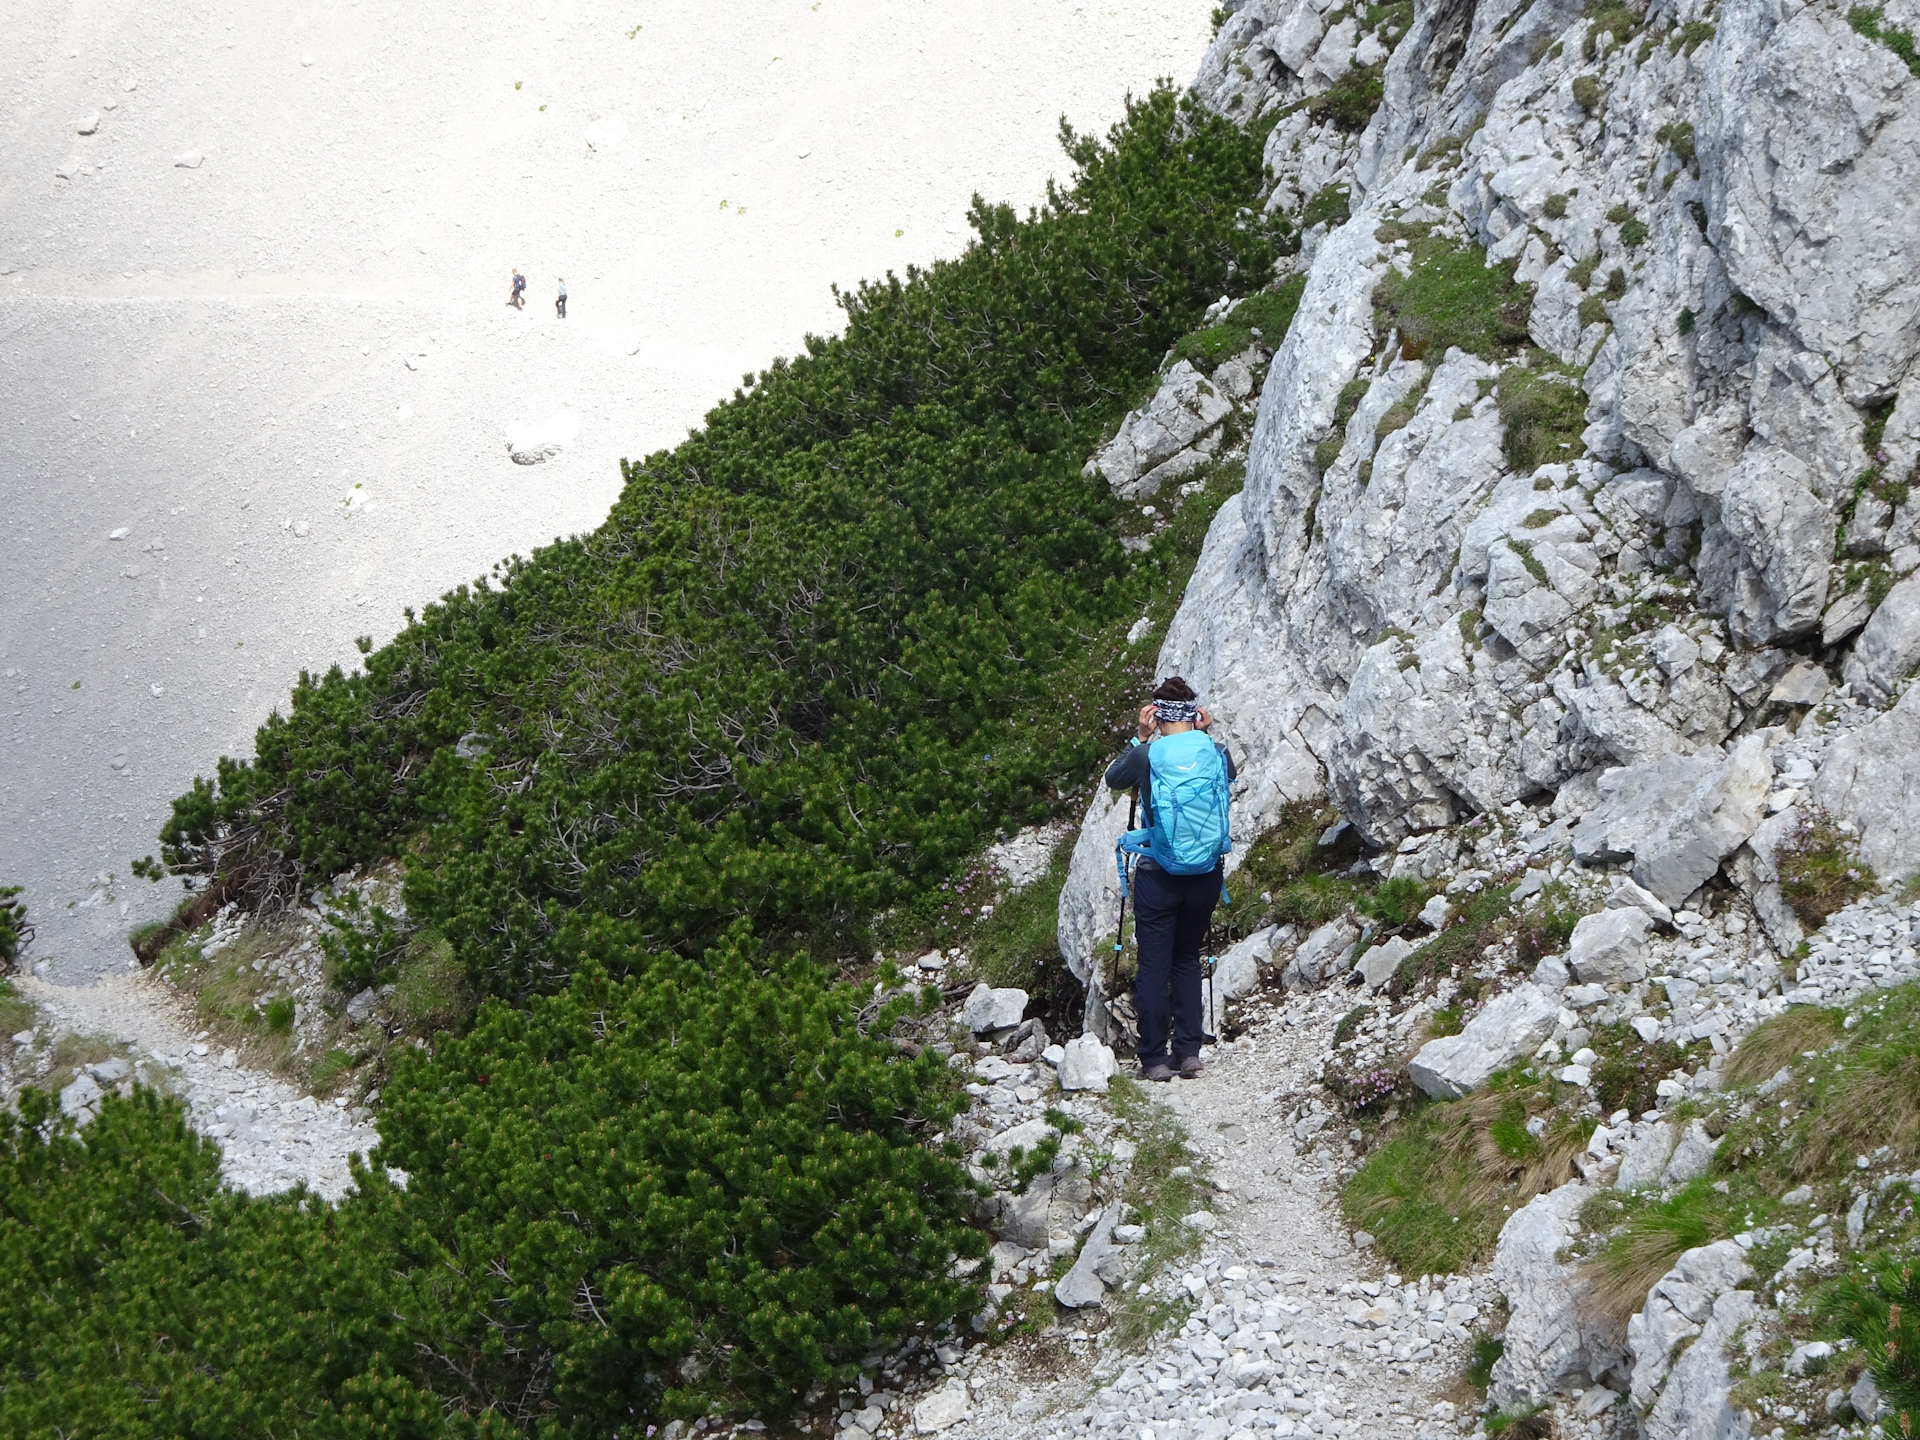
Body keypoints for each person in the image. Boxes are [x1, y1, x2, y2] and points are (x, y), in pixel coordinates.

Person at [1105, 676, 1236, 1082]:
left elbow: (1114, 779)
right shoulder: (1214, 750)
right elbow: (1228, 776)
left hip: (1159, 876)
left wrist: (1140, 738)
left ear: (1157, 714)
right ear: (1195, 714)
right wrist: (1205, 731)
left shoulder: (1148, 755)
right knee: (1186, 959)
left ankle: (1154, 1059)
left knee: (1153, 966)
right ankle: (1190, 1053)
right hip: (1205, 875)